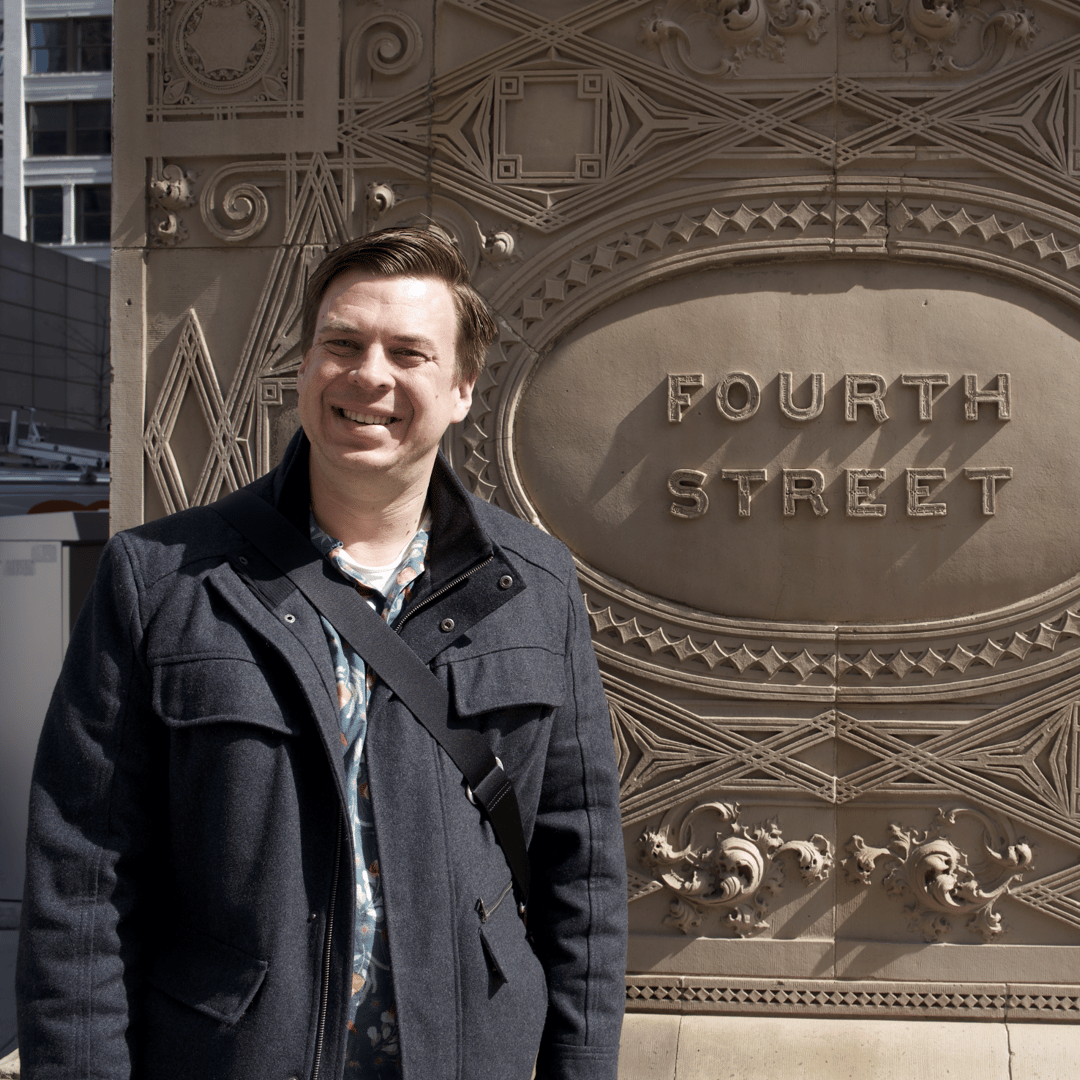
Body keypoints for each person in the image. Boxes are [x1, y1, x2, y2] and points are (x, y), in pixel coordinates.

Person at [16, 227, 627, 1080]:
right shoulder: (159, 580)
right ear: (305, 366)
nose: (369, 375)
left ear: (461, 388)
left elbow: (581, 872)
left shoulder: (535, 585)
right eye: (342, 344)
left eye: (408, 353)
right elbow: (83, 879)